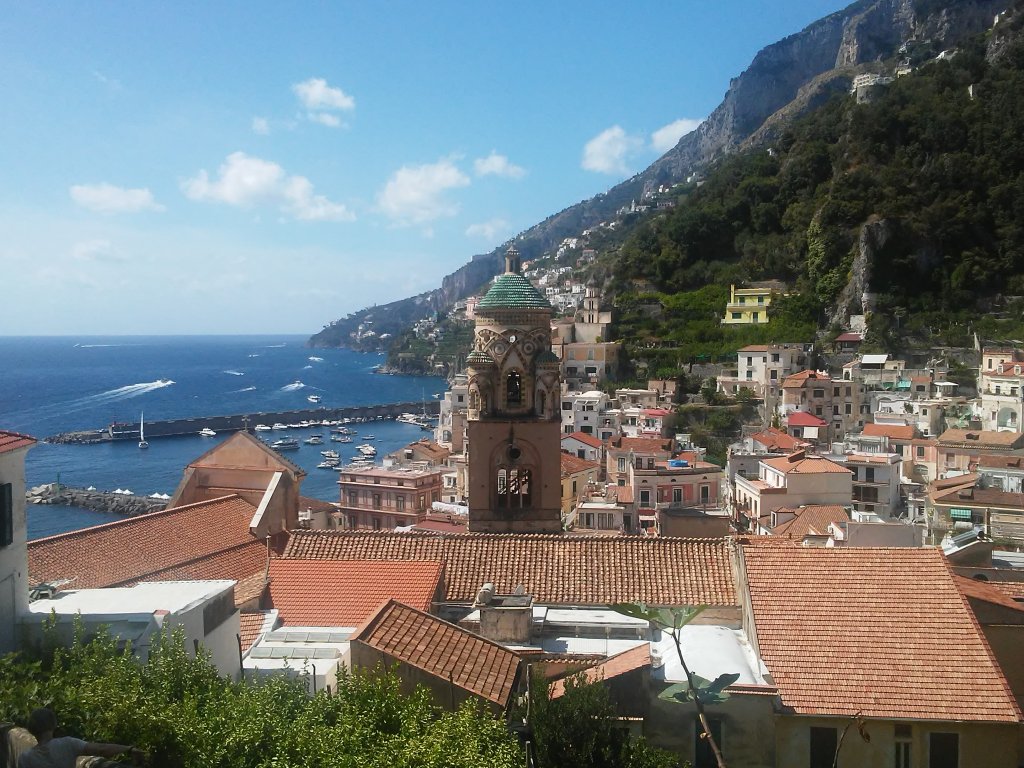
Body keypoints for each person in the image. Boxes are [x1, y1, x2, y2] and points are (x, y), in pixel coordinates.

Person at [18, 708, 144, 768]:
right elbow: (101, 749)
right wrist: (128, 749)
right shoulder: (67, 744)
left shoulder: (25, 758)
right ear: (53, 724)